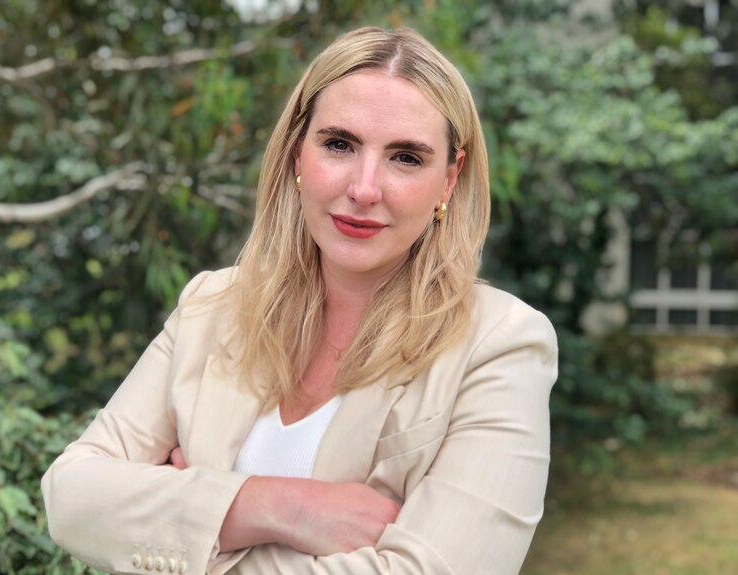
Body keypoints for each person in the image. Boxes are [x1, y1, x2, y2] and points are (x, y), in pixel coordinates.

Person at [41, 26, 558, 575]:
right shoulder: (212, 306)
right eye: (339, 144)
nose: (364, 188)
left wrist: (188, 522)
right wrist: (275, 505)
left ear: (449, 180)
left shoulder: (499, 344)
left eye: (405, 157)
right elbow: (71, 497)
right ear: (296, 152)